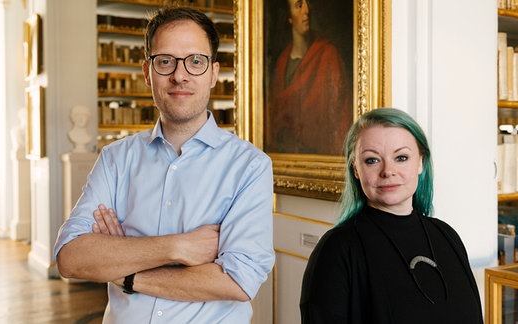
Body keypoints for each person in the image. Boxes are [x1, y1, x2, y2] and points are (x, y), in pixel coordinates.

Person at [54, 7, 275, 323]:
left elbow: (239, 281)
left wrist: (126, 272)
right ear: (147, 72)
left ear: (214, 73)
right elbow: (71, 258)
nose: (180, 75)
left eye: (195, 61)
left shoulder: (250, 166)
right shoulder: (115, 158)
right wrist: (178, 247)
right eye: (165, 61)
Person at [300, 108, 483, 323]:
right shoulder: (337, 249)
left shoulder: (446, 235)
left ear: (420, 163)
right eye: (372, 160)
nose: (388, 171)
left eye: (401, 157)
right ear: (356, 169)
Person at [265, 0, 353, 155]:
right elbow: (273, 117)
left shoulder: (328, 54)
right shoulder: (281, 63)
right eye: (299, 5)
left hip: (323, 155)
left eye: (308, 4)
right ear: (289, 17)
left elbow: (342, 113)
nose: (306, 10)